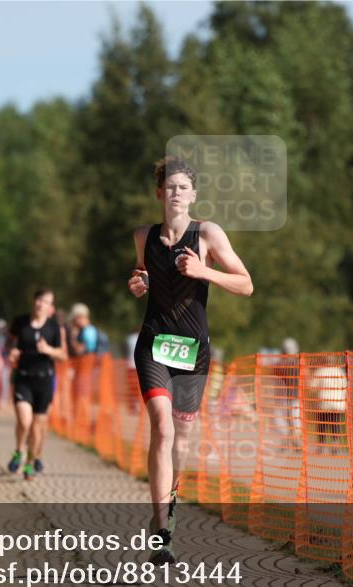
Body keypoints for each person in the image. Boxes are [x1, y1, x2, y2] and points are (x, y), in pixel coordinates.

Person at [128, 156, 253, 565]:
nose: (177, 193)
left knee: (182, 438)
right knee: (162, 430)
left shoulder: (208, 234)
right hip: (153, 344)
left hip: (193, 350)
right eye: (170, 186)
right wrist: (138, 282)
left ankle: (171, 501)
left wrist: (205, 272)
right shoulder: (143, 235)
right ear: (159, 193)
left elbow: (246, 284)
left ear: (193, 195)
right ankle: (161, 528)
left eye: (184, 187)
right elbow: (143, 274)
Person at [6, 288, 68, 479]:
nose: (41, 304)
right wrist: (12, 352)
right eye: (39, 300)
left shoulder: (54, 328)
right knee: (24, 421)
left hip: (44, 380)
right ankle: (18, 451)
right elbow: (10, 343)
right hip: (23, 378)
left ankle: (30, 463)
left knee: (37, 427)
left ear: (51, 307)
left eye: (46, 302)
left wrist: (48, 350)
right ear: (34, 301)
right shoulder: (20, 322)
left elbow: (63, 356)